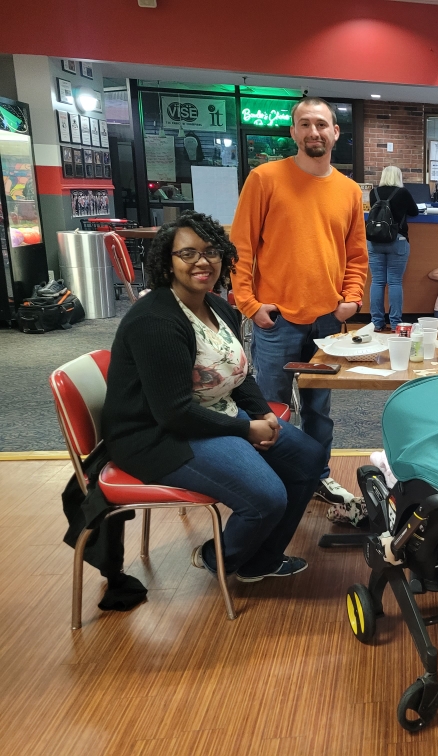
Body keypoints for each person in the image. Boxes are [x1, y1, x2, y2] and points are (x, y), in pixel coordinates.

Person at [102, 212, 328, 582]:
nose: (201, 261)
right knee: (266, 497)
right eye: (187, 254)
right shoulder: (156, 321)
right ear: (167, 262)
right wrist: (247, 430)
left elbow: (239, 375)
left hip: (216, 414)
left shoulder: (218, 306)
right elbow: (174, 414)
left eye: (210, 251)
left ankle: (261, 560)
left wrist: (262, 415)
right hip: (160, 436)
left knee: (309, 458)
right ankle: (219, 557)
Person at [231, 96, 368, 514]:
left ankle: (317, 476)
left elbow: (357, 254)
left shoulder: (348, 190)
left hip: (327, 322)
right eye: (305, 124)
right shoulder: (264, 178)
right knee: (270, 408)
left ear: (335, 132)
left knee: (319, 412)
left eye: (322, 125)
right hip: (276, 321)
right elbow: (241, 249)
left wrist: (351, 299)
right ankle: (269, 485)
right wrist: (249, 305)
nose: (314, 132)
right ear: (293, 131)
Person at [368, 166, 420, 332]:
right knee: (395, 282)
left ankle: (377, 323)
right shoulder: (402, 193)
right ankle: (395, 323)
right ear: (398, 177)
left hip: (375, 241)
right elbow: (415, 212)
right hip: (397, 240)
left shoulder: (373, 193)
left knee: (377, 281)